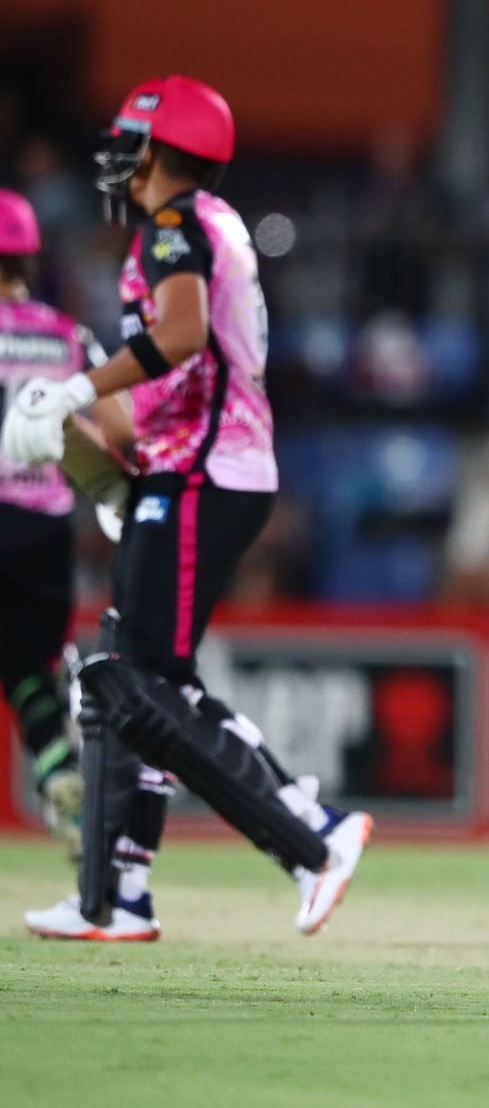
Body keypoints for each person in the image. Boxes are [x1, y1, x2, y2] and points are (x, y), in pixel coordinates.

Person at [0, 75, 370, 940]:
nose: (118, 154)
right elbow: (162, 391)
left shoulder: (176, 227)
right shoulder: (205, 227)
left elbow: (180, 337)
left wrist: (71, 391)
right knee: (117, 678)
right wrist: (80, 443)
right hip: (192, 466)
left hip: (208, 472)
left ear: (163, 150)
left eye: (133, 137)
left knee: (140, 680)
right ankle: (114, 894)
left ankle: (314, 832)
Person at [0, 188, 98, 855]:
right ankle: (58, 766)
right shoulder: (69, 335)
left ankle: (58, 768)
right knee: (26, 663)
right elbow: (103, 425)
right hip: (46, 525)